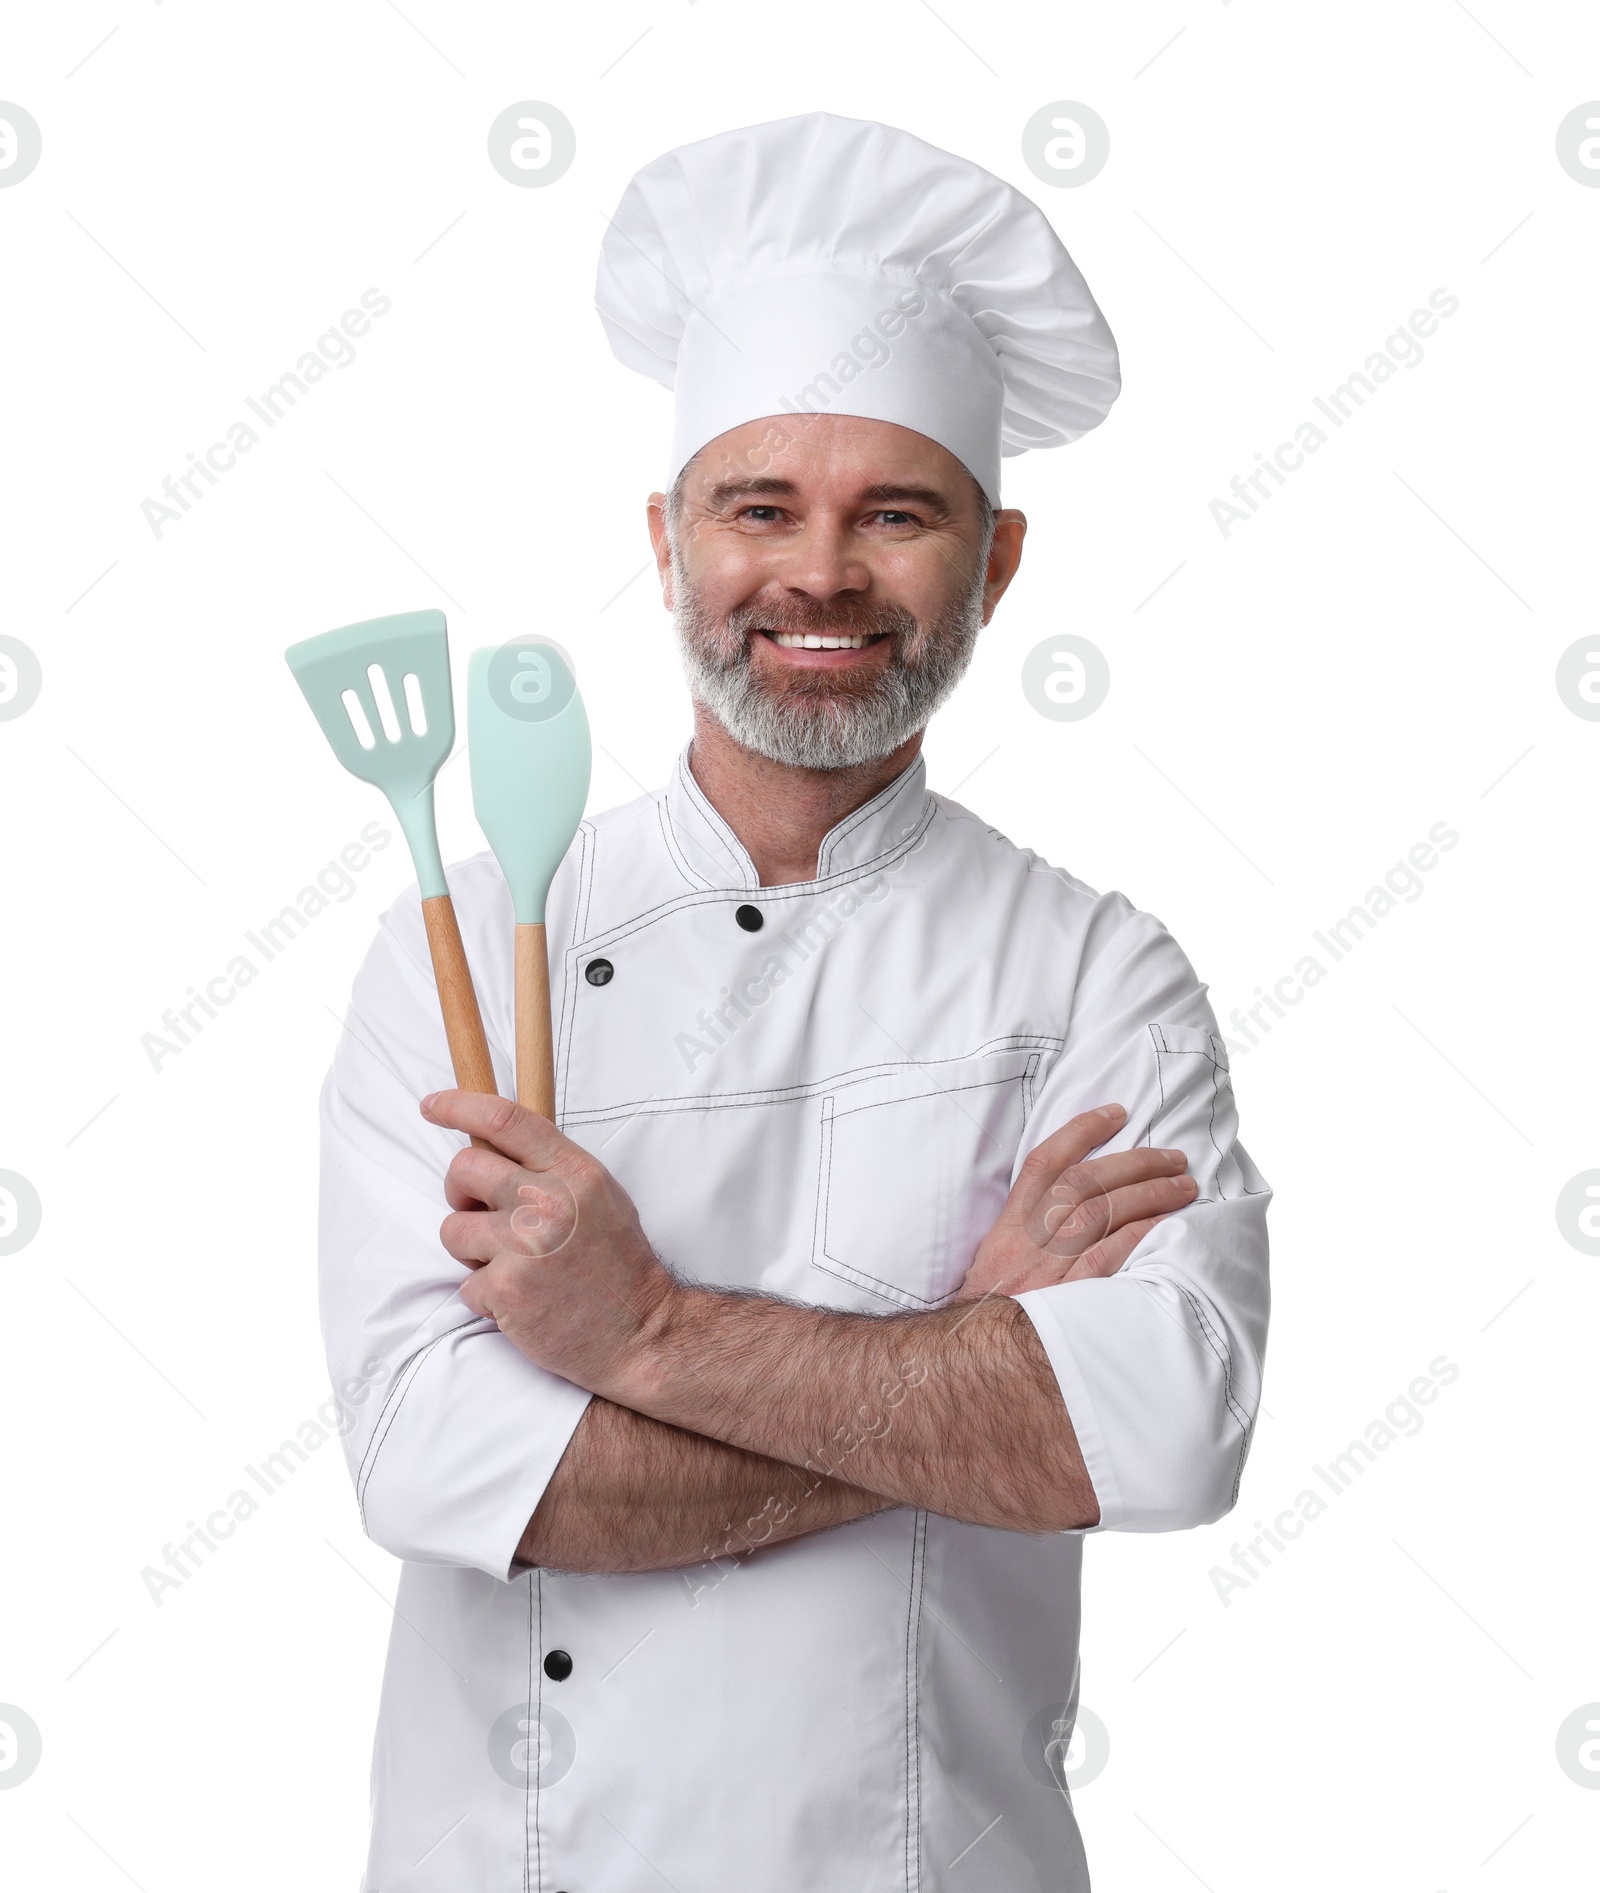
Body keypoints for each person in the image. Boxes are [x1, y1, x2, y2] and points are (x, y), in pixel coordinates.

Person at [320, 112, 1270, 1892]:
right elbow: (437, 1465)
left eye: (893, 514)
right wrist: (955, 1369)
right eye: (759, 507)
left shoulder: (1092, 972)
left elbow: (1158, 1427)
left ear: (992, 568)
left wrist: (646, 1335)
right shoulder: (459, 949)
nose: (819, 574)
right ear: (668, 548)